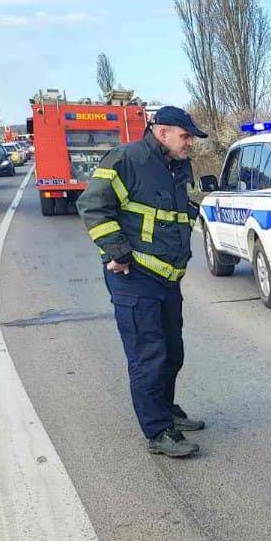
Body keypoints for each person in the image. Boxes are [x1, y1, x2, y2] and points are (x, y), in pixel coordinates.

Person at [79, 106, 208, 458]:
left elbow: (171, 213)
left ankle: (165, 411)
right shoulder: (126, 159)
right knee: (148, 357)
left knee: (171, 353)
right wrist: (117, 252)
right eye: (185, 137)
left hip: (167, 279)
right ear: (161, 131)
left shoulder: (176, 166)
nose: (190, 144)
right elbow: (92, 206)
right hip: (135, 279)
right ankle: (157, 431)